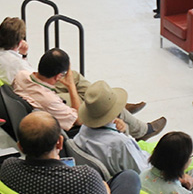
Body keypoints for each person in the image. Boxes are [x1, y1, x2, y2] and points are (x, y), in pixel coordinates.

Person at [0, 111, 141, 194]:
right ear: (60, 142)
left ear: (20, 146)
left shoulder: (8, 167)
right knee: (130, 177)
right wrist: (99, 183)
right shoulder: (84, 177)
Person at [74, 83, 193, 182]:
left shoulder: (83, 131)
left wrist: (124, 130)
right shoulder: (121, 143)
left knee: (182, 149)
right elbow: (144, 172)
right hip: (144, 175)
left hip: (114, 172)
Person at [12, 48, 163, 140]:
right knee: (103, 107)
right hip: (52, 107)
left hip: (38, 92)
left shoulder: (21, 75)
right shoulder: (50, 101)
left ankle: (106, 98)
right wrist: (70, 86)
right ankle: (142, 130)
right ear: (57, 76)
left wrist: (70, 79)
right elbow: (79, 119)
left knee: (75, 76)